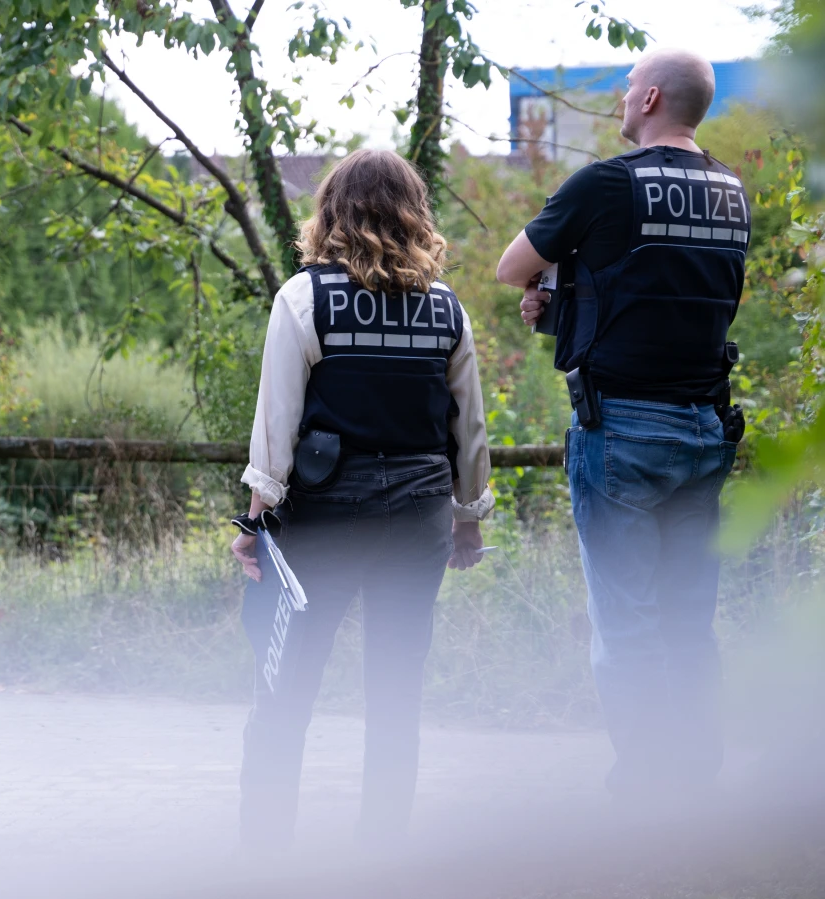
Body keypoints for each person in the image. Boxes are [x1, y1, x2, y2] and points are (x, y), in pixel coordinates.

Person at [495, 49, 747, 805]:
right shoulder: (732, 192)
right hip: (706, 427)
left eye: (628, 86)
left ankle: (646, 789)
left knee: (626, 621)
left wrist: (553, 285)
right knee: (687, 617)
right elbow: (664, 289)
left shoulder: (606, 184)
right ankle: (697, 775)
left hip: (623, 433)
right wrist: (573, 294)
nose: (620, 97)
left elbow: (511, 266)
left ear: (651, 98)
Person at [230, 148, 494, 858]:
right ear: (415, 214)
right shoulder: (446, 309)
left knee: (286, 684)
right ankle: (381, 854)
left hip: (325, 519)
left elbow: (276, 425)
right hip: (419, 517)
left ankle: (263, 853)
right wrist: (468, 519)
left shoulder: (303, 299)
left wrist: (255, 522)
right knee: (396, 689)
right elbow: (468, 428)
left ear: (332, 212)